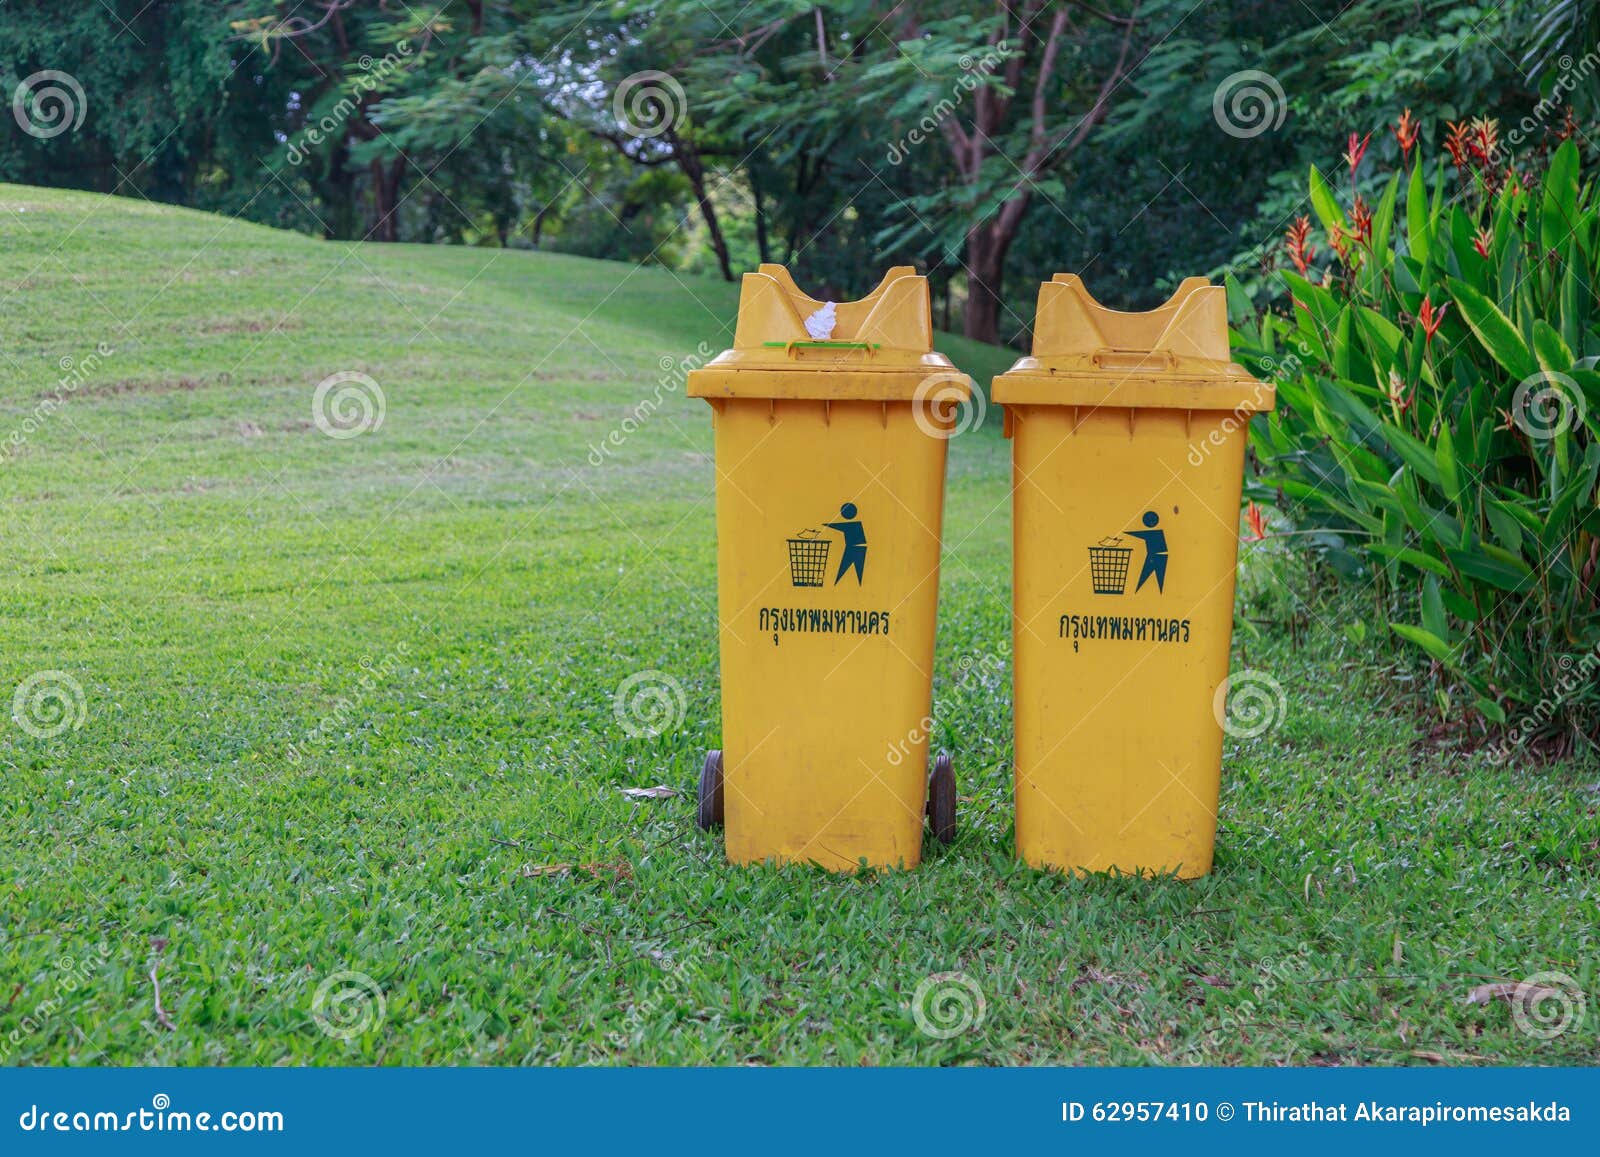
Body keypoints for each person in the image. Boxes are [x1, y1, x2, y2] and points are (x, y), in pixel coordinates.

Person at [1127, 510, 1168, 593]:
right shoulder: (1154, 534)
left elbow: (1148, 535)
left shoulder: (1155, 535)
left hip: (1158, 556)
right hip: (1157, 555)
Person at [826, 502, 867, 585]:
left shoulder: (854, 525)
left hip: (855, 548)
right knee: (849, 572)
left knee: (851, 571)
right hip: (855, 547)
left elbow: (842, 526)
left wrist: (827, 525)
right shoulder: (855, 525)